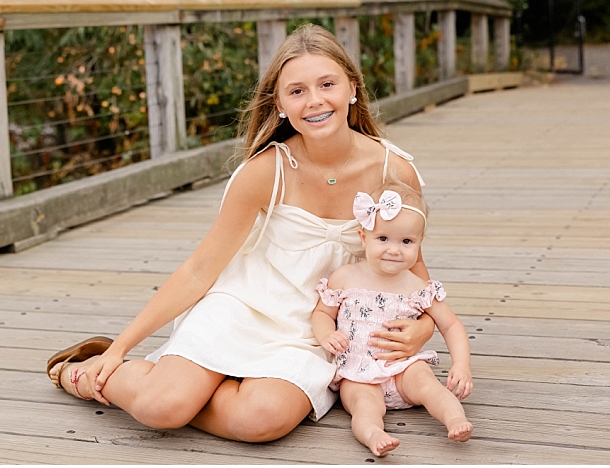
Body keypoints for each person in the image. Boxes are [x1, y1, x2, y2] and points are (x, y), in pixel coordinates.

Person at [46, 23, 436, 443]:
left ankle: (184, 383)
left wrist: (425, 327)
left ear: (353, 89)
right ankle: (86, 371)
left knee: (260, 420)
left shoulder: (393, 170)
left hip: (318, 329)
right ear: (281, 104)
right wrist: (121, 345)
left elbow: (415, 270)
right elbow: (199, 270)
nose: (315, 101)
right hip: (243, 306)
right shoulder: (264, 171)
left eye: (327, 84)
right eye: (297, 90)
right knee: (162, 407)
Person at [312, 181, 473, 457]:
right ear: (364, 238)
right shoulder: (345, 277)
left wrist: (462, 365)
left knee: (430, 387)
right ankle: (373, 434)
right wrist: (327, 334)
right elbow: (322, 313)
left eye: (406, 241)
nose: (394, 250)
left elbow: (451, 325)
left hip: (403, 367)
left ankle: (454, 419)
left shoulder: (418, 287)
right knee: (364, 406)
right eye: (383, 239)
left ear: (419, 243)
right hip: (358, 372)